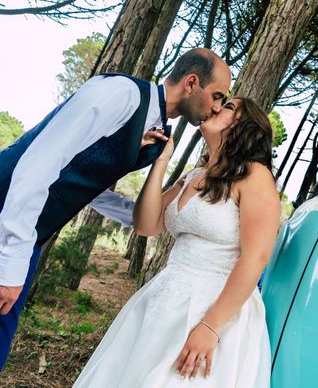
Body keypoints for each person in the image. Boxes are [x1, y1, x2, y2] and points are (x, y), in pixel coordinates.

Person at [0, 48, 231, 369]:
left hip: (29, 236)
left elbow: (89, 187)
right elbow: (37, 165)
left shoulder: (156, 135)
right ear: (192, 83)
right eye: (217, 95)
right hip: (7, 215)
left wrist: (169, 215)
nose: (217, 106)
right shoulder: (118, 94)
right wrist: (10, 262)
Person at [73, 97, 280, 387]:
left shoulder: (256, 177)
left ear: (246, 128)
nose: (217, 106)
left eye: (229, 107)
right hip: (165, 298)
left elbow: (255, 258)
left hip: (215, 308)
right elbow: (146, 225)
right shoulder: (193, 176)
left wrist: (211, 326)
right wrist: (160, 163)